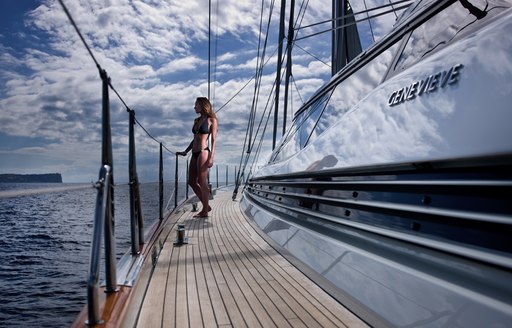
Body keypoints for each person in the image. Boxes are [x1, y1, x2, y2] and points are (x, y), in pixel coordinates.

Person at [177, 97, 218, 218]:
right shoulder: (196, 120)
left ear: (203, 105)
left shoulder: (212, 120)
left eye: (196, 105)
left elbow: (214, 140)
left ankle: (205, 210)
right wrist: (185, 151)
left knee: (202, 181)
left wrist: (211, 157)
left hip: (203, 152)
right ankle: (207, 205)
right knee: (191, 181)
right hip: (194, 153)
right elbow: (195, 139)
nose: (194, 107)